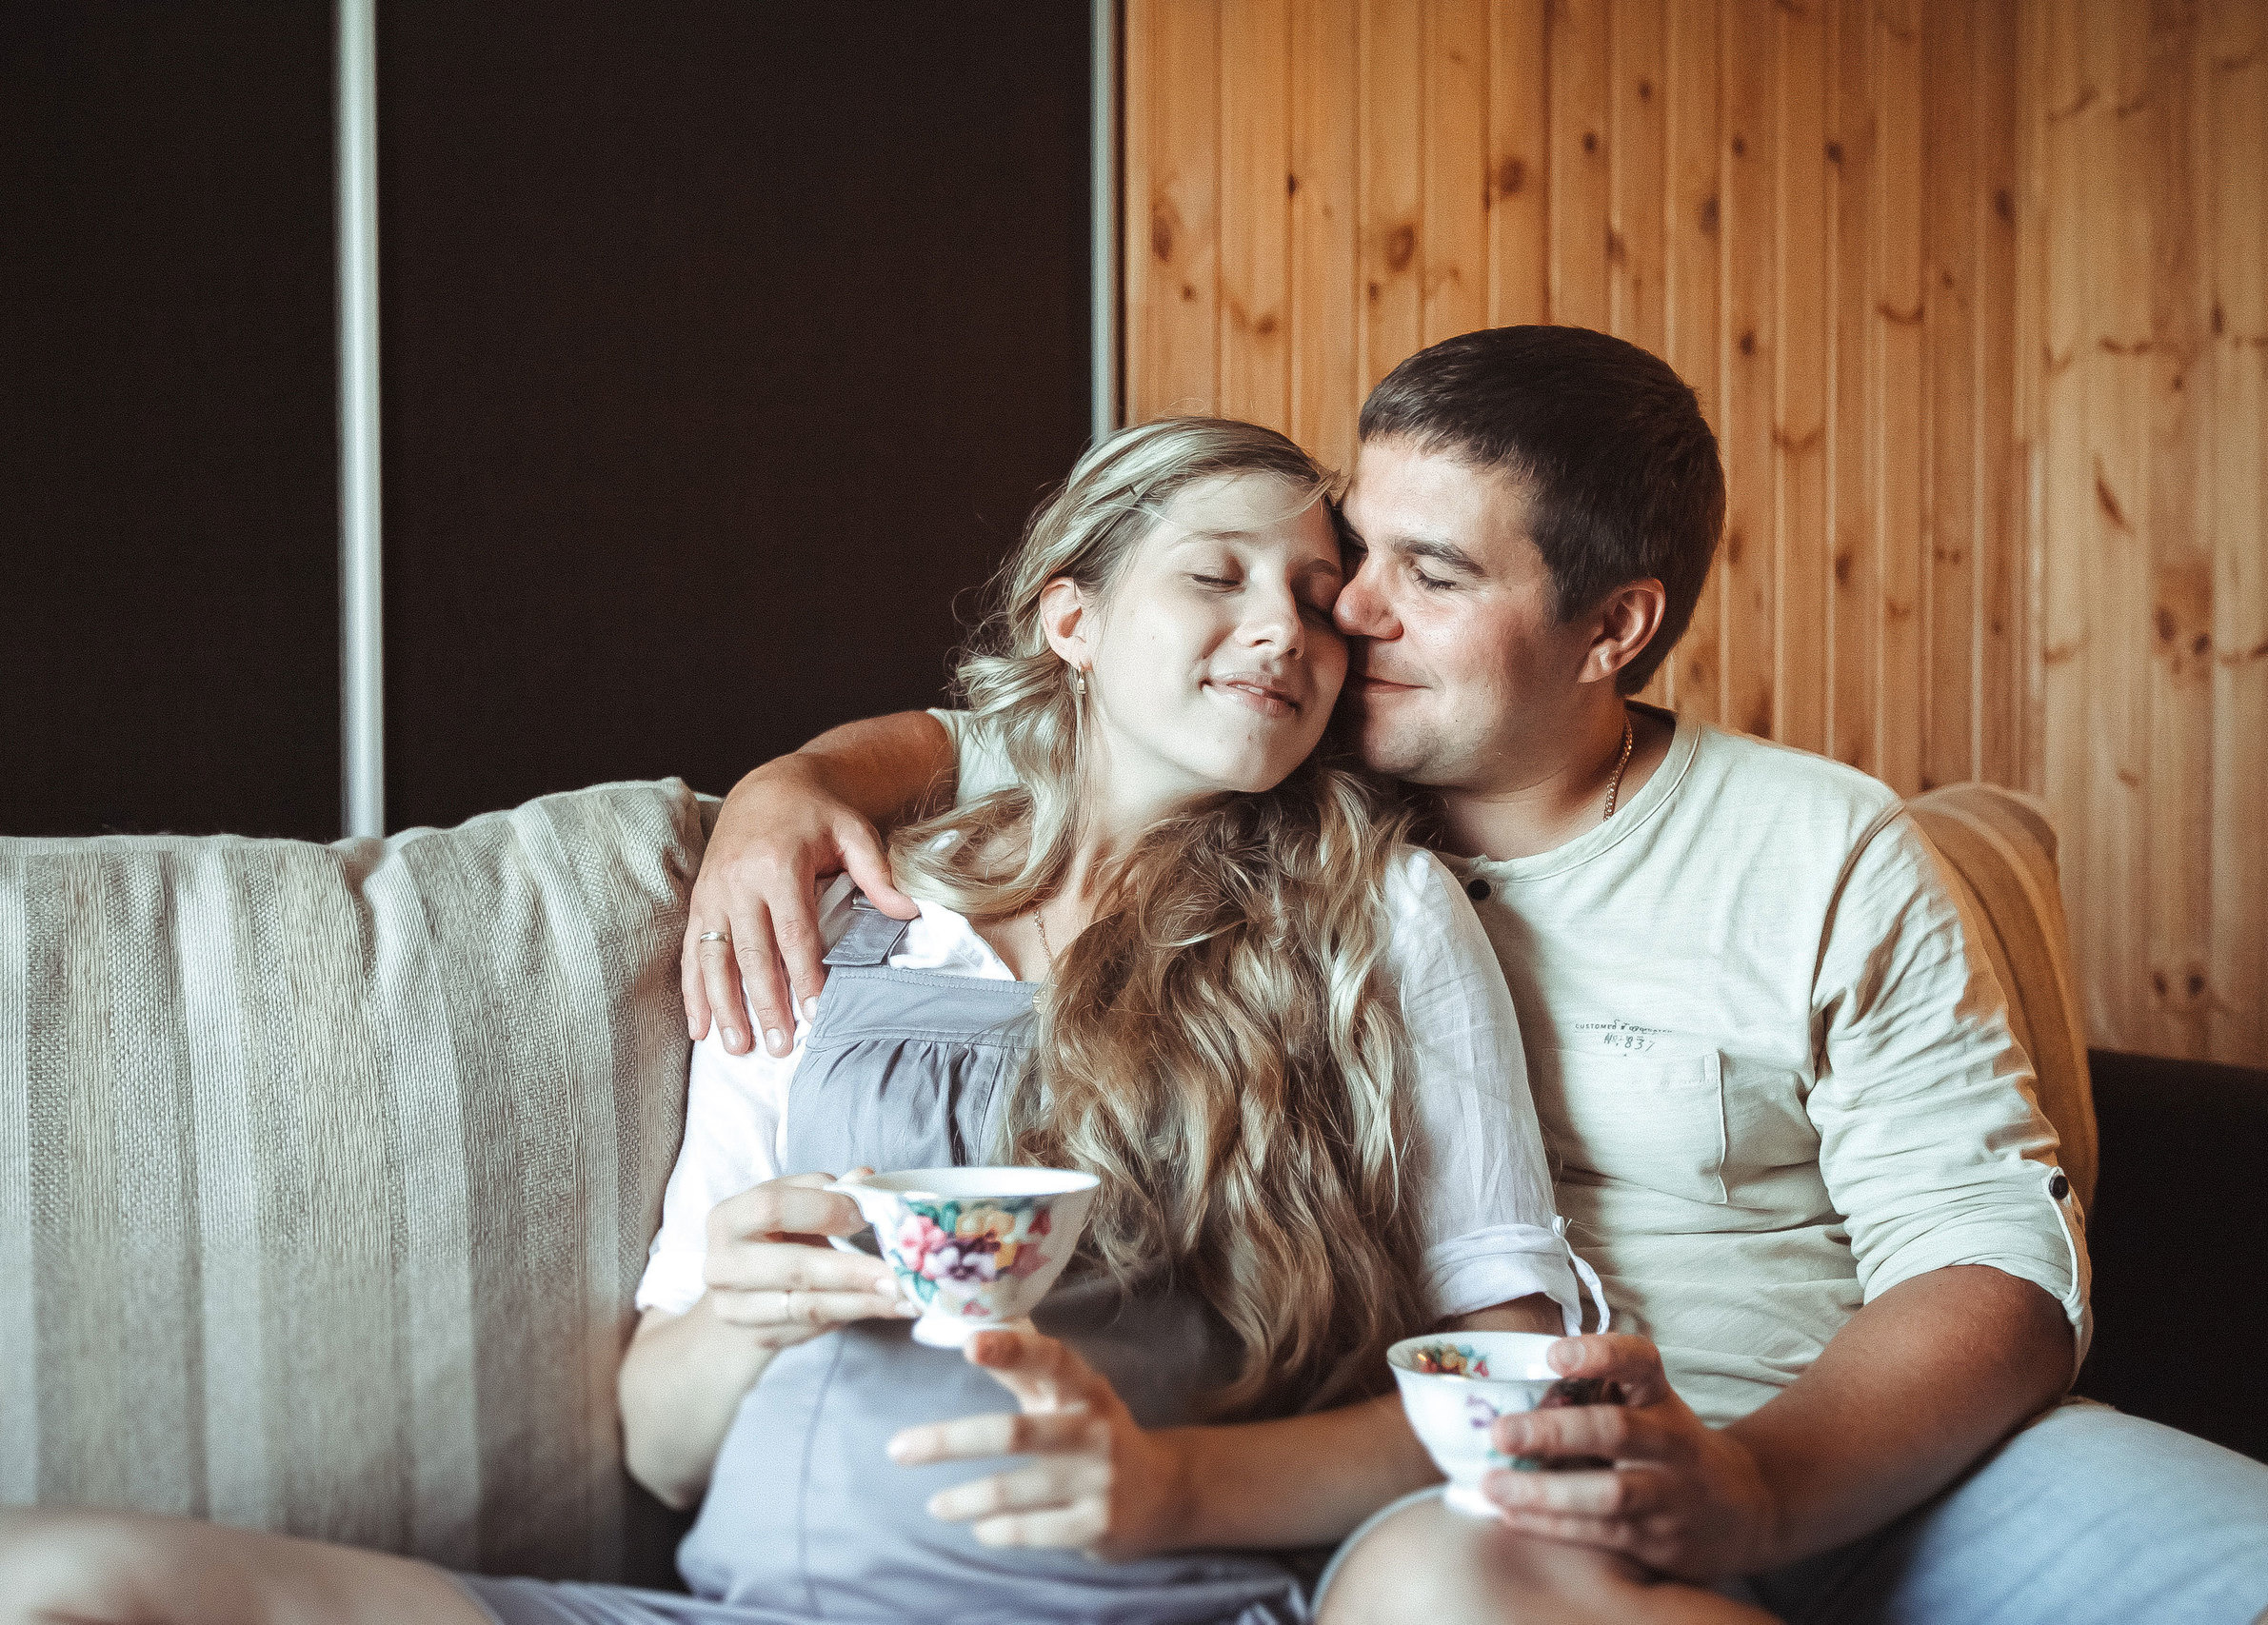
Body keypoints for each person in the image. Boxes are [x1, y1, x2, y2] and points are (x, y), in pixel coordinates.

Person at [683, 327, 2268, 1624]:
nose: (1340, 614)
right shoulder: (1280, 785)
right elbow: (1048, 725)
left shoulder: (1818, 845)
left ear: (1615, 629)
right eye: (1353, 553)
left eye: (1428, 575)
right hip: (1493, 1491)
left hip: (1853, 1450)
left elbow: (1994, 1260)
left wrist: (1758, 1491)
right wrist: (796, 785)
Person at [0, 418, 1698, 1625]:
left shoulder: (1373, 918)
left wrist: (1173, 1493)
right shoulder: (839, 908)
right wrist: (740, 1313)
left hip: (1150, 1603)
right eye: (1217, 576)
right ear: (1073, 619)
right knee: (57, 1579)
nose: (1282, 626)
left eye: (1320, 600)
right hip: (751, 1610)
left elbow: (1504, 1387)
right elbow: (665, 1452)